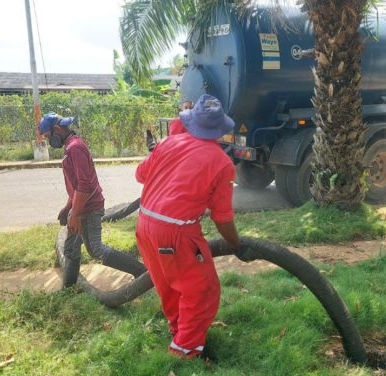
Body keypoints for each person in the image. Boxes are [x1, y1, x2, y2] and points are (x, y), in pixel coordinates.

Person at [135, 94, 240, 359]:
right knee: (202, 291)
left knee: (170, 286)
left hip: (145, 225)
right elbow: (223, 217)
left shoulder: (169, 143)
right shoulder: (221, 163)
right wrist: (236, 245)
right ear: (219, 130)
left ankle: (180, 331)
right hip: (176, 233)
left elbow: (140, 174)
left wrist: (174, 134)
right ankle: (184, 353)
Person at [38, 112, 146, 287]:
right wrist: (68, 208)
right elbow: (76, 185)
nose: (49, 141)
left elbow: (85, 186)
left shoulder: (75, 148)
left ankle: (142, 272)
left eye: (48, 136)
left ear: (57, 129)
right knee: (71, 249)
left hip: (88, 208)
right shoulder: (71, 147)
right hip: (81, 207)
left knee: (96, 249)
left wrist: (76, 215)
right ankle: (69, 289)